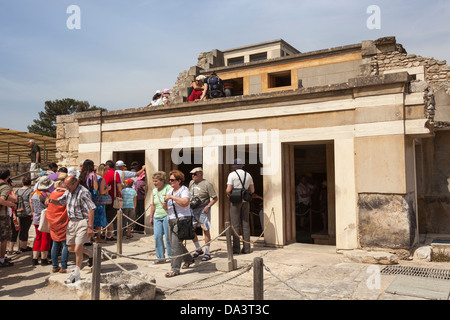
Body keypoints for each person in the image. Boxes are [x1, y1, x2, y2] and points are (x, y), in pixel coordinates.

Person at [48, 176, 96, 284]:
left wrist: (90, 226)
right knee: (70, 248)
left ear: (75, 183)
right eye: (66, 186)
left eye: (68, 186)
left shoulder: (84, 192)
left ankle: (77, 273)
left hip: (82, 221)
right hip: (72, 222)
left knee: (78, 246)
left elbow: (91, 209)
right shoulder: (68, 191)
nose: (67, 188)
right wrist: (51, 201)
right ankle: (91, 253)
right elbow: (61, 201)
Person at [164, 170, 194, 277]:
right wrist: (164, 201)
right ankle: (189, 259)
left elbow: (185, 202)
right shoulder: (170, 191)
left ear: (179, 181)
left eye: (172, 180)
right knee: (174, 243)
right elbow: (166, 208)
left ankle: (175, 269)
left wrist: (172, 198)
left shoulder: (184, 190)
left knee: (176, 245)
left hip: (181, 219)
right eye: (170, 180)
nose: (170, 182)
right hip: (171, 218)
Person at [226, 158, 255, 254]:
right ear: (242, 166)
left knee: (235, 224)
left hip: (235, 201)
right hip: (245, 201)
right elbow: (252, 190)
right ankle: (247, 248)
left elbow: (228, 189)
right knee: (245, 224)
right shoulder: (248, 175)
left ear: (234, 166)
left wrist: (229, 193)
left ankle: (236, 249)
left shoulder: (232, 175)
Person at [189, 167, 218, 261]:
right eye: (192, 174)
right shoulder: (191, 183)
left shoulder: (207, 184)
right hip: (192, 209)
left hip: (202, 209)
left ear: (200, 174)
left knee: (205, 230)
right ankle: (198, 249)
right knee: (191, 229)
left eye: (195, 174)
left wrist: (208, 206)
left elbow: (215, 198)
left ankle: (207, 252)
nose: (193, 175)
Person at [46, 177, 69, 273]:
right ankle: (63, 266)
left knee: (55, 243)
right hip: (63, 221)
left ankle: (55, 266)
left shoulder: (53, 194)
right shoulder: (65, 194)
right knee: (65, 244)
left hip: (53, 220)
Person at [30, 176, 54, 266]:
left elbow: (31, 204)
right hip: (44, 218)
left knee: (38, 238)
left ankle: (34, 258)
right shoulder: (47, 195)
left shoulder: (33, 193)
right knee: (45, 238)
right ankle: (44, 259)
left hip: (36, 217)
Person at [149, 171, 172, 264]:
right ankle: (160, 257)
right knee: (157, 237)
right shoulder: (154, 191)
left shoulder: (168, 188)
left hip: (167, 215)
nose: (154, 183)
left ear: (162, 181)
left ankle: (171, 256)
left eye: (156, 181)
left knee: (168, 237)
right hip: (157, 216)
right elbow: (153, 205)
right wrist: (151, 217)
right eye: (153, 181)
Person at [103, 160, 122, 241]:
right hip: (112, 198)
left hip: (102, 198)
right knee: (111, 218)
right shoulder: (115, 173)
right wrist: (121, 195)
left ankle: (103, 233)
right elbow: (119, 186)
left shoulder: (103, 173)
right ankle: (109, 235)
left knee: (104, 216)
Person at [0, 169, 15, 267]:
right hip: (2, 215)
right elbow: (1, 200)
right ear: (8, 177)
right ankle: (1, 259)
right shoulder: (5, 187)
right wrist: (11, 204)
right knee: (3, 238)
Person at [14, 176, 33, 252]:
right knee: (25, 229)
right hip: (27, 211)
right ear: (30, 183)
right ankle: (24, 247)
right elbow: (31, 201)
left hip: (19, 211)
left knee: (21, 229)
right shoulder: (31, 190)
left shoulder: (18, 190)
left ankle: (21, 245)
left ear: (22, 183)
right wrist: (32, 212)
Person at [93, 164, 110, 243]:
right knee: (99, 220)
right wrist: (108, 189)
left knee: (93, 219)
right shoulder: (101, 179)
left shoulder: (94, 177)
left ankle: (91, 237)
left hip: (93, 200)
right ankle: (98, 238)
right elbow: (102, 191)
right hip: (99, 202)